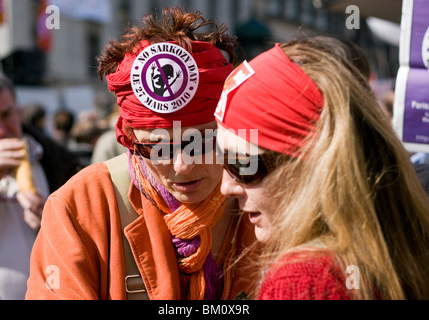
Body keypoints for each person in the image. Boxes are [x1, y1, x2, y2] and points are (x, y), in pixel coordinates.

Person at [26, 7, 258, 300]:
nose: (182, 165)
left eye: (201, 141)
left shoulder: (264, 199)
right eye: (157, 147)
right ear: (131, 140)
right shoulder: (81, 207)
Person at [215, 38, 429, 300]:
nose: (226, 187)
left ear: (313, 161)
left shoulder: (305, 280)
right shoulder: (404, 246)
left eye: (242, 164)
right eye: (222, 159)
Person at [0, 71, 80, 300]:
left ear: (19, 111)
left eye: (6, 114)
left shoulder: (56, 160)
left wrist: (56, 219)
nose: (0, 130)